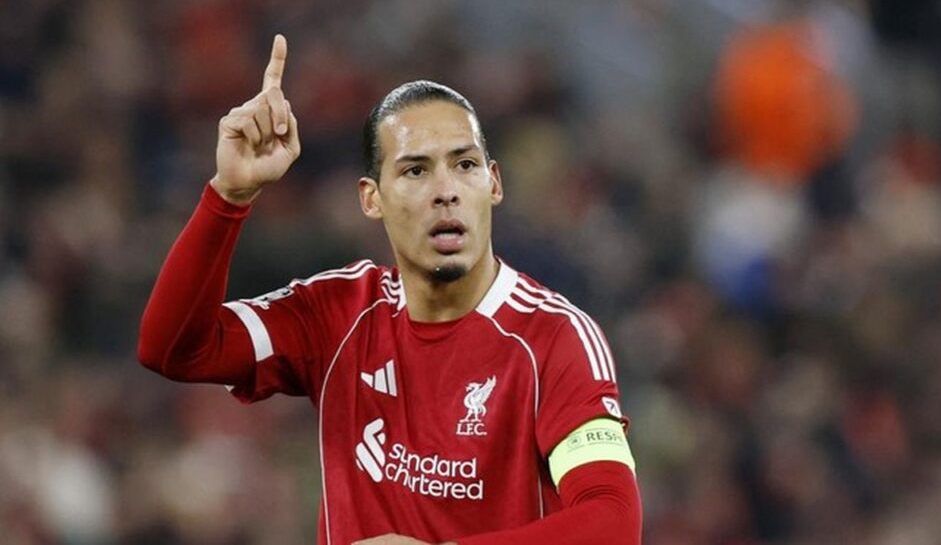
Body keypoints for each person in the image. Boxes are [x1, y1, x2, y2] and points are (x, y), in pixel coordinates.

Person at [138, 35, 641, 545]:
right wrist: (229, 196)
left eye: (465, 165)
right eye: (416, 170)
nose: (446, 191)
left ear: (493, 183)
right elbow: (173, 350)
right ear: (371, 199)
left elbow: (614, 522)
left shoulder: (554, 338)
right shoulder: (338, 314)